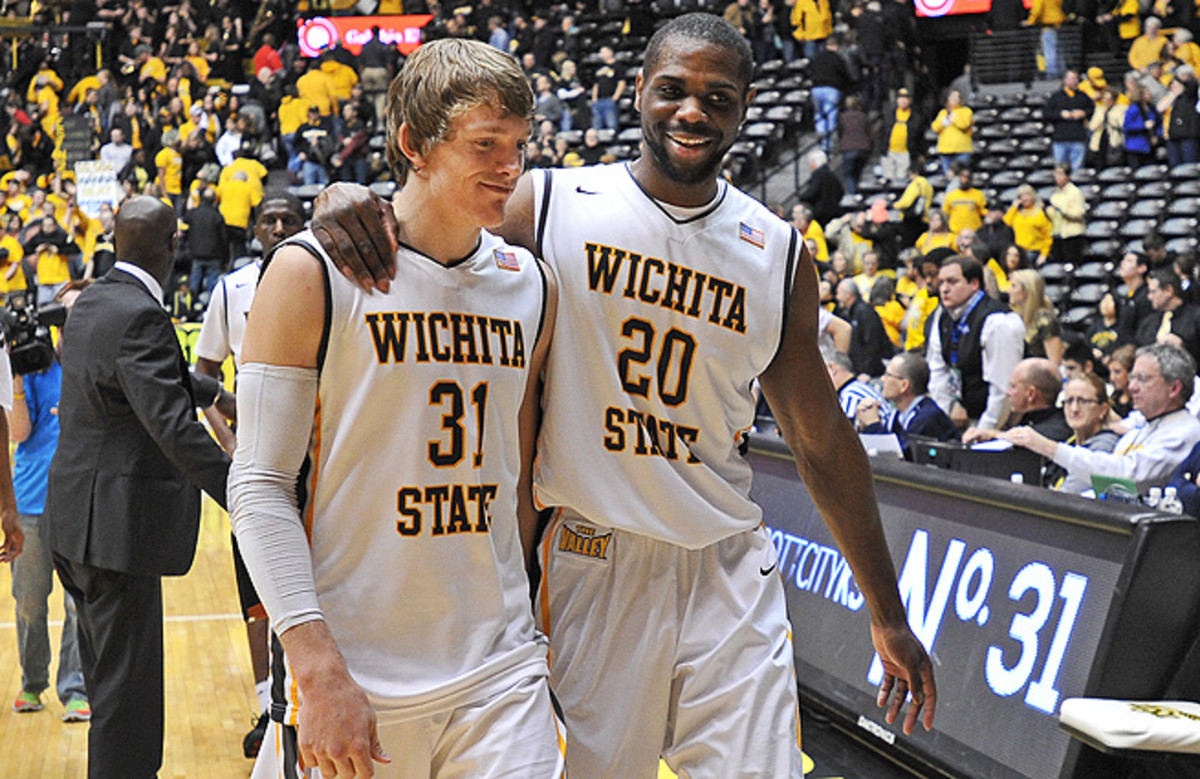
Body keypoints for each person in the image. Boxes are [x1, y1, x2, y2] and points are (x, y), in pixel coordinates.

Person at [309, 14, 936, 779]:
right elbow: (421, 214)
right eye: (672, 89)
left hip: (729, 568)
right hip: (594, 556)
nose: (693, 111)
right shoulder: (548, 204)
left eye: (718, 97)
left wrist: (888, 611)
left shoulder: (777, 253)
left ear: (743, 109)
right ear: (638, 92)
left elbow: (822, 440)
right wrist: (348, 197)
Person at [229, 39, 567, 779]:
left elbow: (515, 480)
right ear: (413, 143)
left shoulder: (532, 286)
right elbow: (257, 486)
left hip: (499, 673)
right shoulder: (311, 271)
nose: (509, 167)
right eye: (485, 145)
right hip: (354, 672)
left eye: (518, 145)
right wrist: (312, 664)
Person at [44, 196, 231, 778]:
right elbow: (171, 426)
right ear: (174, 246)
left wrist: (211, 391)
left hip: (74, 524)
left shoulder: (93, 300)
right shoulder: (141, 314)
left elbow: (135, 377)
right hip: (117, 534)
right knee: (129, 705)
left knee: (110, 692)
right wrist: (246, 494)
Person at [192, 192, 306, 759]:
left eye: (289, 218)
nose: (280, 226)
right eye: (271, 219)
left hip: (316, 459)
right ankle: (268, 704)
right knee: (254, 588)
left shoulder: (328, 279)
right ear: (255, 228)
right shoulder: (231, 288)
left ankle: (307, 693)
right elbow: (203, 371)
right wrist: (230, 440)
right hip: (257, 460)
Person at [9, 281, 89, 723]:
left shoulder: (95, 365)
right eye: (64, 312)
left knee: (79, 605)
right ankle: (32, 682)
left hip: (80, 502)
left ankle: (75, 688)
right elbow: (19, 433)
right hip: (33, 502)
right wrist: (15, 377)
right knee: (29, 601)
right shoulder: (35, 369)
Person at [1002, 344, 1200, 494]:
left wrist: (1049, 448)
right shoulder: (1141, 431)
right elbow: (1105, 488)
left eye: (1143, 379)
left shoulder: (1185, 432)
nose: (1132, 387)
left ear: (1174, 388)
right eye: (1133, 378)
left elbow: (1127, 478)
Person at [926, 254, 1026, 430]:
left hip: (1008, 421)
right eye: (941, 282)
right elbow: (938, 373)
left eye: (952, 282)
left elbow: (1002, 388)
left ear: (974, 284)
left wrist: (984, 432)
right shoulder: (941, 316)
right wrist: (945, 418)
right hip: (966, 415)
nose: (944, 289)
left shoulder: (998, 321)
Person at [856, 351, 961, 447]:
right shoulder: (899, 414)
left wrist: (873, 424)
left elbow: (899, 457)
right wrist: (864, 425)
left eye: (888, 375)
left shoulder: (927, 417)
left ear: (904, 385)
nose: (883, 379)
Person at [965, 356, 1071, 444]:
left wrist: (997, 435)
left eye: (1013, 386)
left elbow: (1029, 439)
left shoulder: (1053, 432)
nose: (1008, 392)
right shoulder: (1028, 423)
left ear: (1031, 394)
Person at [1046, 374, 1120, 495]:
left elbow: (1068, 495)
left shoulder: (1104, 445)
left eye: (1083, 401)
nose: (1074, 409)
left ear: (1103, 409)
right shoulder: (1070, 441)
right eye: (1069, 401)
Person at [1136, 269, 1200, 367]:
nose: (1149, 297)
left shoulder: (1196, 317)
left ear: (1169, 291)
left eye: (1153, 292)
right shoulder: (1148, 323)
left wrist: (1184, 345)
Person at [837, 276, 892, 377]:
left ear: (848, 294)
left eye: (839, 293)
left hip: (873, 373)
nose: (837, 297)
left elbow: (873, 342)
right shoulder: (851, 313)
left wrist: (867, 372)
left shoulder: (864, 312)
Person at [1009, 268, 1064, 363]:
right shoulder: (1015, 316)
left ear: (1027, 291)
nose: (1009, 291)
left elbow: (1055, 361)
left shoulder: (1045, 321)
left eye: (1014, 286)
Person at [1044, 71, 1092, 172]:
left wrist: (1083, 113)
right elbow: (1046, 113)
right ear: (1065, 80)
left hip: (1078, 138)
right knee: (1060, 169)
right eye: (1071, 78)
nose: (1074, 81)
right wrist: (1060, 114)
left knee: (1078, 170)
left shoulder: (1083, 96)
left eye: (1076, 79)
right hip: (1060, 139)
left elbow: (1091, 109)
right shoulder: (1056, 97)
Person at [931, 90, 973, 176]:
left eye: (956, 97)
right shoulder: (943, 112)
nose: (954, 99)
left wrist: (954, 120)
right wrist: (943, 123)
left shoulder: (966, 111)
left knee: (961, 175)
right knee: (948, 176)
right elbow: (935, 127)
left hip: (962, 150)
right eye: (952, 97)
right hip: (945, 150)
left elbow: (965, 124)